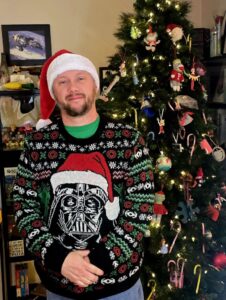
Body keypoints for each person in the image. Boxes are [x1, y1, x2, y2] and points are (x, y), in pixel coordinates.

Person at [12, 49, 155, 300]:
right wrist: (61, 259)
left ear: (96, 87)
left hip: (119, 287)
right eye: (62, 81)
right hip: (60, 285)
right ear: (54, 92)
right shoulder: (36, 144)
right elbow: (25, 209)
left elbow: (139, 211)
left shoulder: (129, 140)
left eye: (81, 78)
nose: (72, 87)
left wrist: (94, 263)